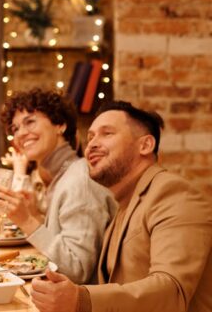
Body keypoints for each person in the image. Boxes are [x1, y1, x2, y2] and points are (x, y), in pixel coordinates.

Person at [31, 101, 212, 312]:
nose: (92, 144)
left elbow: (172, 291)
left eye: (107, 133)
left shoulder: (175, 194)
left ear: (145, 145)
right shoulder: (125, 201)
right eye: (90, 137)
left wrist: (82, 299)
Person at [0, 89, 116, 284]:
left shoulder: (80, 180)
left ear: (60, 125)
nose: (21, 133)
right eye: (15, 129)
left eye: (30, 122)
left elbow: (78, 269)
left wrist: (27, 222)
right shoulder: (63, 174)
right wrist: (35, 216)